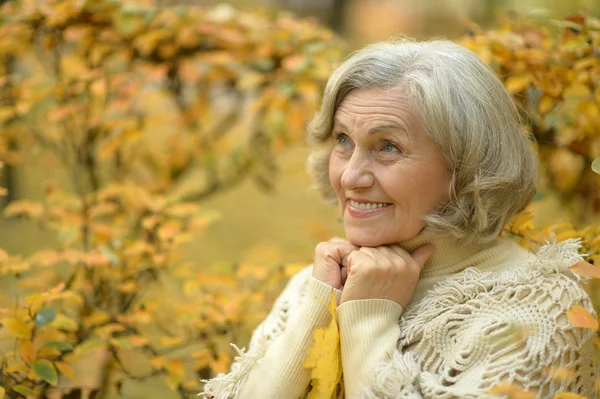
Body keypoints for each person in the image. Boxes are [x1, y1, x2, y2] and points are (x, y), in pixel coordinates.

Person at [200, 39, 597, 399]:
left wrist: (367, 320)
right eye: (343, 141)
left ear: (468, 167)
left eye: (387, 147)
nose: (351, 176)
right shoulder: (317, 283)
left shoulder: (539, 310)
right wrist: (317, 308)